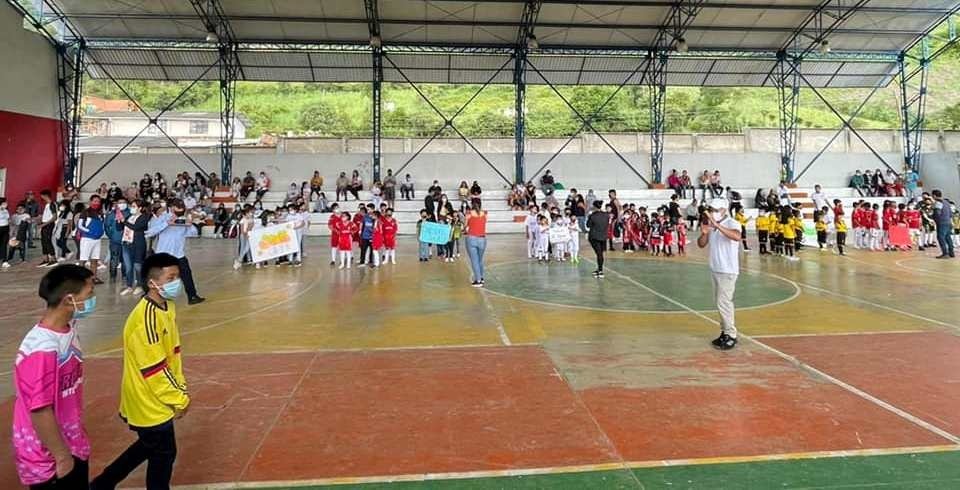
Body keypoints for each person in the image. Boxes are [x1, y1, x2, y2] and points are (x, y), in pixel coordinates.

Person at [91, 253, 189, 490]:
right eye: (170, 278)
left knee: (149, 445)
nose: (176, 282)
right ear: (152, 283)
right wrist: (179, 398)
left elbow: (172, 355)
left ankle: (103, 484)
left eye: (177, 277)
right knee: (164, 454)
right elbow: (155, 369)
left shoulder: (167, 307)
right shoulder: (145, 320)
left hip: (157, 395)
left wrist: (180, 386)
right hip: (148, 399)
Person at [12, 264, 94, 488]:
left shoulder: (68, 328)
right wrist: (62, 456)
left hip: (72, 443)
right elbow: (40, 409)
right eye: (89, 294)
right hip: (49, 458)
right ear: (69, 300)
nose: (92, 300)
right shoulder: (42, 349)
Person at [697, 198, 741, 350]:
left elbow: (737, 236)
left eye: (715, 210)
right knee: (719, 302)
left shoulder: (732, 223)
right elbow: (701, 244)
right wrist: (704, 233)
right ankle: (724, 332)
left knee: (724, 302)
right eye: (711, 210)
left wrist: (717, 226)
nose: (712, 213)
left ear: (723, 210)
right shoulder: (711, 225)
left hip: (727, 270)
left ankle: (731, 334)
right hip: (716, 268)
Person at [145, 199, 205, 305]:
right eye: (178, 210)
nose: (179, 212)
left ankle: (192, 296)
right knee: (158, 277)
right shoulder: (162, 218)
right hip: (163, 254)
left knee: (187, 275)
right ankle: (151, 296)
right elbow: (150, 232)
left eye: (181, 210)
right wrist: (167, 223)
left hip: (178, 254)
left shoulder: (184, 219)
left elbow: (194, 233)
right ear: (172, 208)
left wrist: (190, 224)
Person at [77, 196, 105, 284]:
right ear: (90, 202)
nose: (97, 203)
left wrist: (101, 232)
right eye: (95, 201)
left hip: (97, 240)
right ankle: (80, 280)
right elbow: (80, 225)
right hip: (87, 239)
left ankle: (94, 278)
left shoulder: (100, 213)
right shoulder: (85, 212)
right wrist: (90, 231)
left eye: (98, 201)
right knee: (83, 259)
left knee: (94, 259)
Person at [106, 197, 131, 284]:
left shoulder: (130, 213)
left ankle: (125, 276)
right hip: (115, 241)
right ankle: (113, 276)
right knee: (114, 259)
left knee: (125, 260)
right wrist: (111, 236)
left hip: (127, 240)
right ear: (117, 204)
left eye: (124, 202)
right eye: (120, 202)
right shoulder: (112, 214)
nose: (122, 204)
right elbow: (107, 226)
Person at [464, 202, 488, 287]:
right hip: (482, 239)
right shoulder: (484, 214)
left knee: (474, 260)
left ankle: (478, 280)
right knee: (480, 260)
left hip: (472, 238)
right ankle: (481, 277)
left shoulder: (469, 214)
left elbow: (465, 226)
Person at [586, 201, 609, 278]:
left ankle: (600, 270)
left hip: (594, 237)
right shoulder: (606, 215)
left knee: (599, 254)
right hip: (603, 236)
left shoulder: (592, 215)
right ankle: (599, 269)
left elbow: (588, 225)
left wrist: (589, 217)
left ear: (594, 207)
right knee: (600, 253)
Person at [38, 190, 58, 267]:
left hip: (48, 225)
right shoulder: (47, 205)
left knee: (48, 241)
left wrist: (44, 224)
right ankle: (45, 259)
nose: (41, 197)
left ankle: (53, 259)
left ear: (45, 195)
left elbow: (54, 217)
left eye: (42, 196)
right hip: (45, 225)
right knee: (43, 242)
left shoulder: (52, 204)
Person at [933, 189, 955, 258]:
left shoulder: (938, 202)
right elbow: (951, 213)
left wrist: (935, 219)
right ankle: (951, 252)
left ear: (934, 195)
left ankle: (945, 253)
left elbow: (937, 213)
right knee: (948, 237)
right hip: (948, 221)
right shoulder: (946, 202)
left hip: (941, 222)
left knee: (941, 237)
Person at [0, 198, 9, 264]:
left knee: (4, 244)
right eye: (5, 203)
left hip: (6, 228)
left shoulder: (6, 210)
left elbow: (8, 219)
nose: (6, 204)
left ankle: (4, 260)